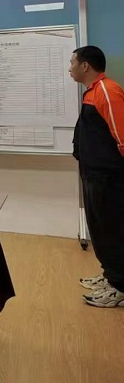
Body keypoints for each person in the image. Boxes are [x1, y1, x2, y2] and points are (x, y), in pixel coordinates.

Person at [70, 45, 124, 308]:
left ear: (85, 66)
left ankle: (120, 287)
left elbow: (122, 135)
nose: (69, 68)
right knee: (100, 231)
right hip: (93, 174)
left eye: (72, 63)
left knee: (113, 231)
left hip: (109, 177)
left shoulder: (107, 90)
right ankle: (111, 275)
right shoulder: (91, 92)